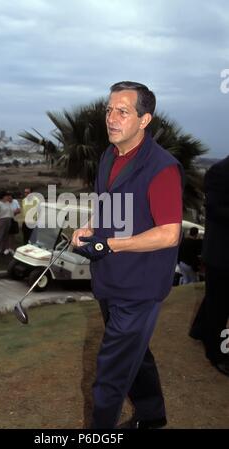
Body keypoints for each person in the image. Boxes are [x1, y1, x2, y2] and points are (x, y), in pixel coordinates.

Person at [72, 81, 184, 429]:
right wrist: (90, 226)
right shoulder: (110, 155)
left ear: (144, 119)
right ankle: (152, 417)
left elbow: (169, 234)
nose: (112, 118)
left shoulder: (162, 167)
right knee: (136, 355)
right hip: (109, 279)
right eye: (109, 109)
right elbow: (108, 205)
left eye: (123, 111)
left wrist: (113, 245)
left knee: (109, 377)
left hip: (139, 287)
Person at [189, 156, 229, 376]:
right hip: (221, 252)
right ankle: (217, 354)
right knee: (220, 305)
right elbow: (214, 209)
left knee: (216, 298)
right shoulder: (219, 171)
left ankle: (199, 330)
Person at [0, 191, 14, 257]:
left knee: (5, 237)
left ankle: (1, 250)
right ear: (3, 196)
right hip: (2, 220)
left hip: (8, 220)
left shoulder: (7, 203)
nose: (8, 197)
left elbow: (10, 212)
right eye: (7, 196)